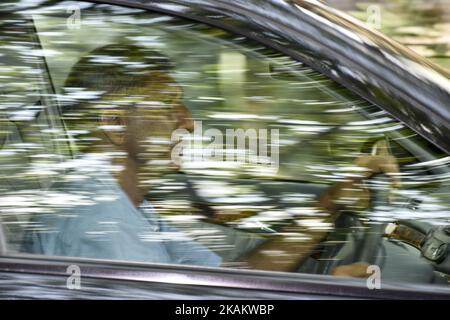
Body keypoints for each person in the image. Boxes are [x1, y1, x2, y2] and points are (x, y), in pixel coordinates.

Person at [23, 43, 400, 276]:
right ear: (116, 123)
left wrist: (330, 202)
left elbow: (236, 277)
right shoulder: (99, 224)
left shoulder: (128, 207)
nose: (189, 121)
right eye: (171, 105)